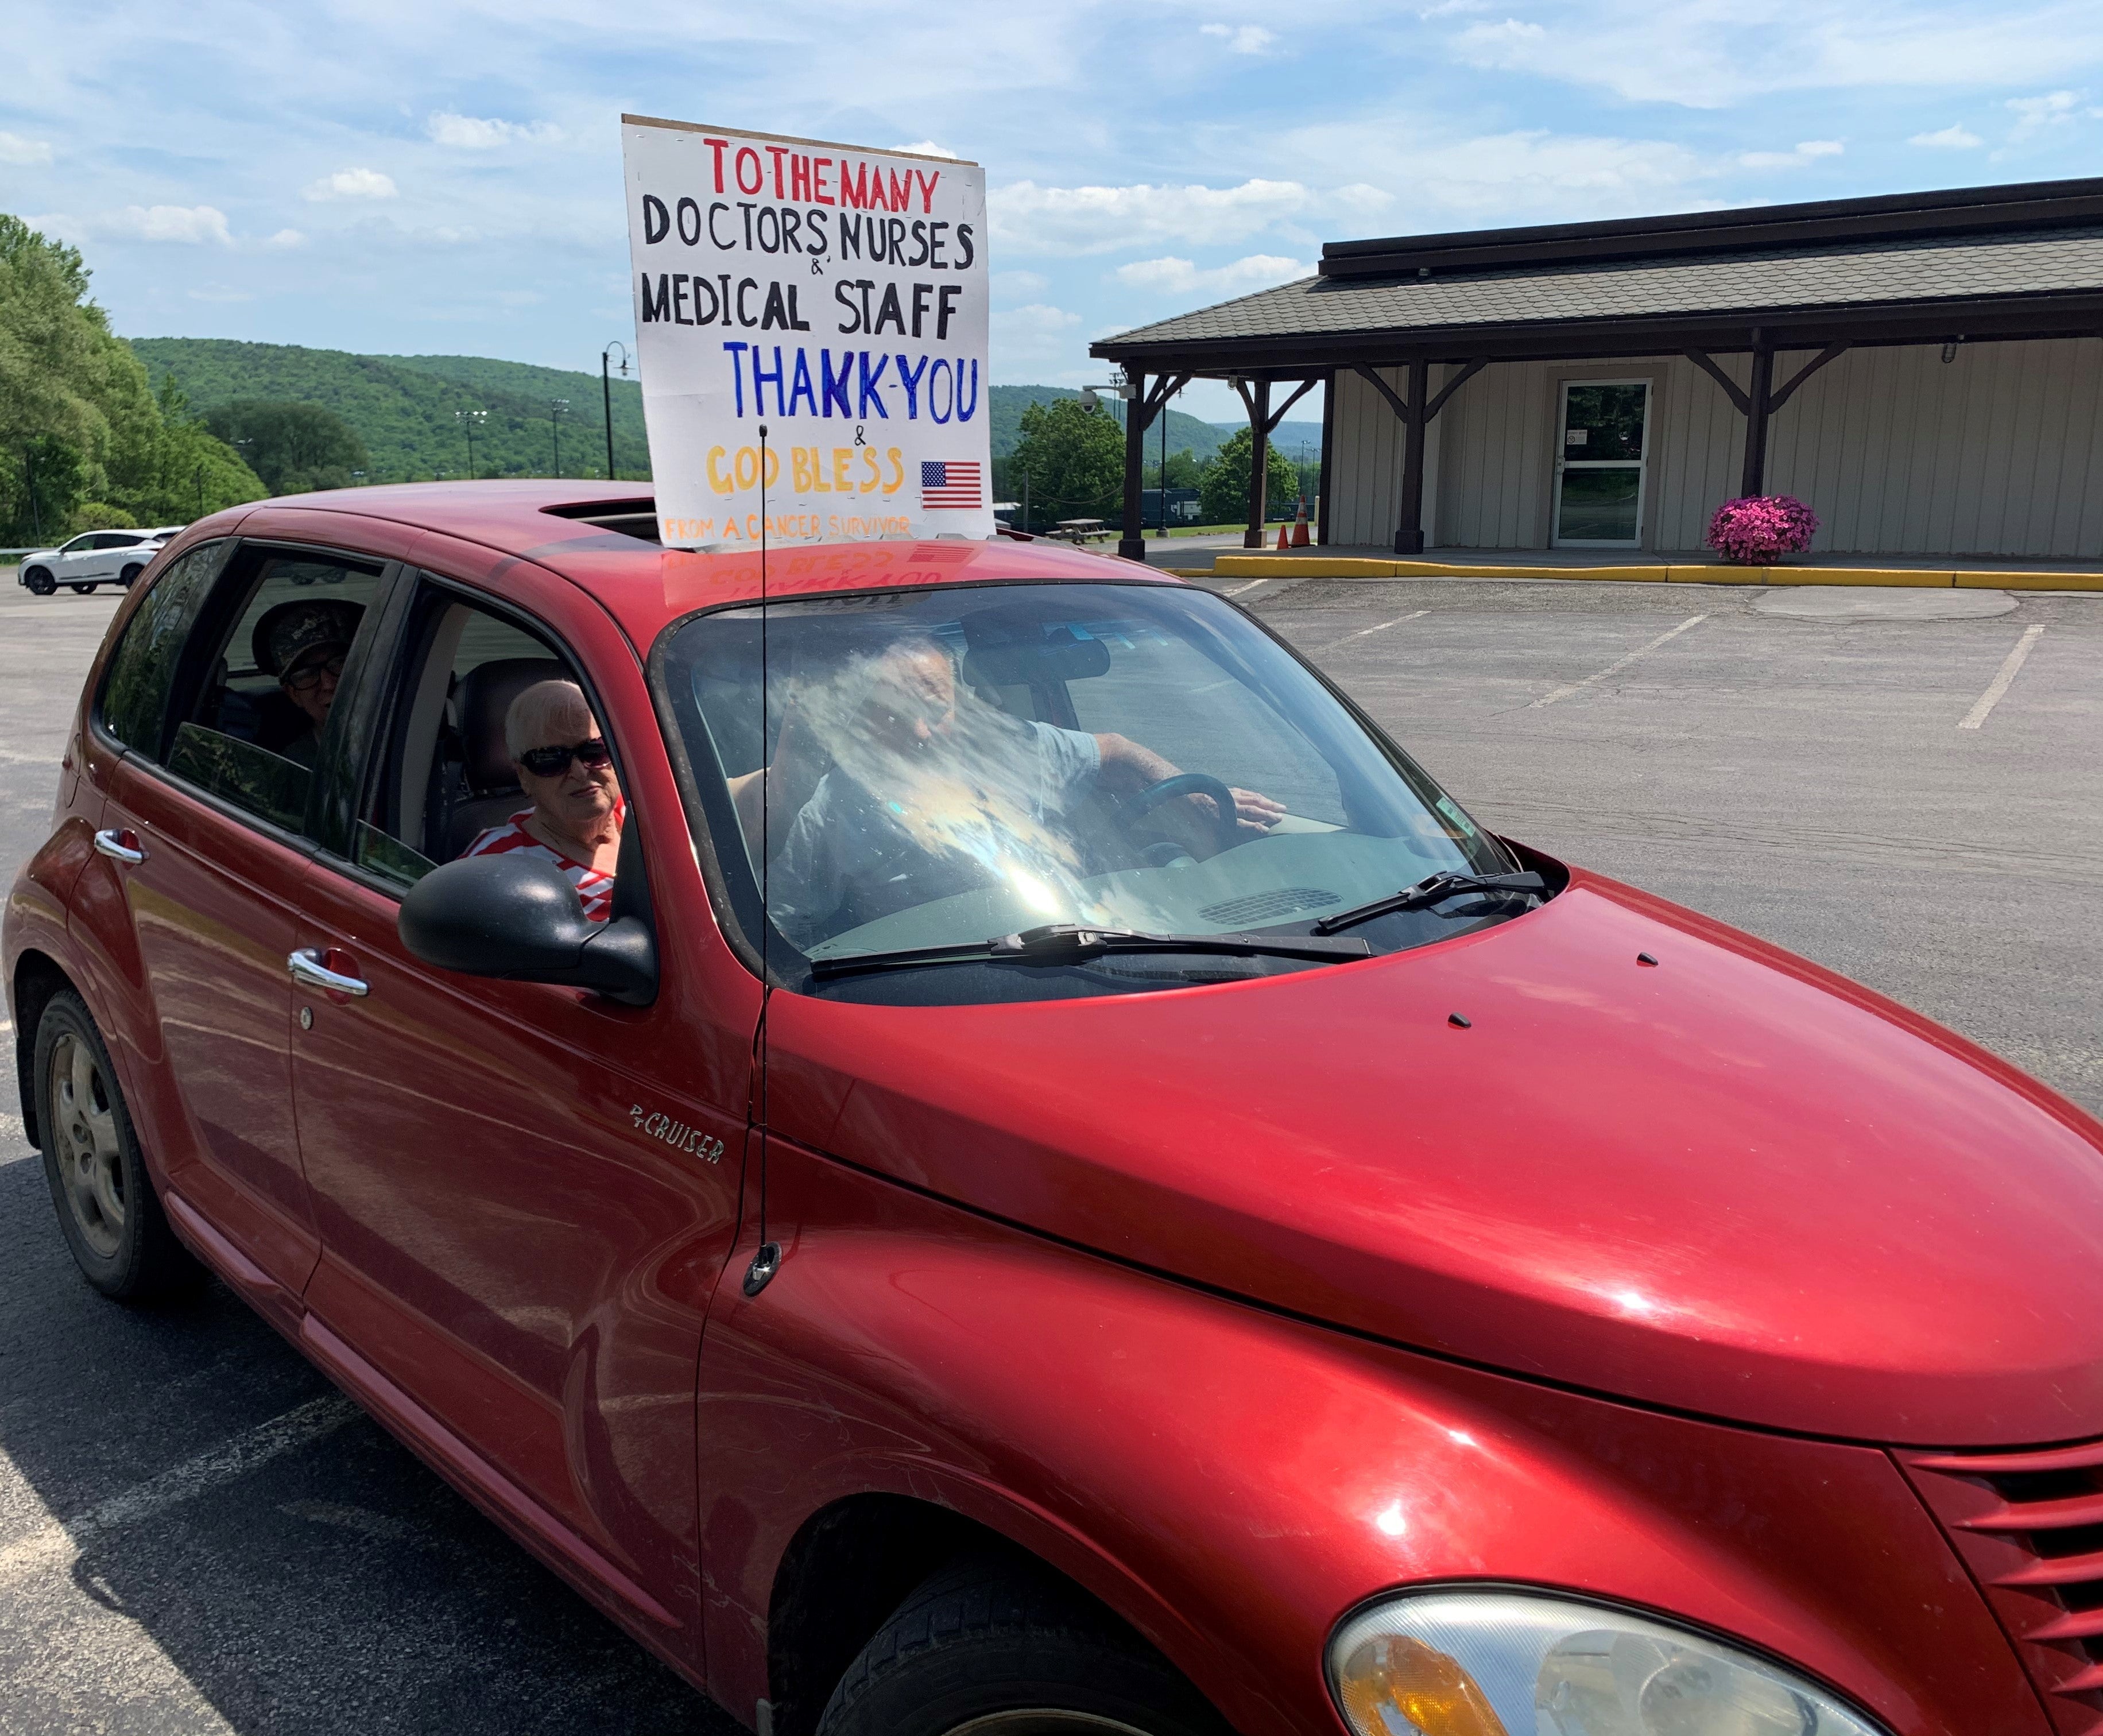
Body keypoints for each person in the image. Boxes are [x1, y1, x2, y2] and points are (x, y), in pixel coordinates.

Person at [766, 634, 1282, 947]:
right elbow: (785, 926)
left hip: (1090, 944)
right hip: (941, 982)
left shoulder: (1014, 748)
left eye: (933, 708)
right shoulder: (833, 807)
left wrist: (1190, 797)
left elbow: (1117, 753)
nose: (921, 733)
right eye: (894, 715)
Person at [460, 679, 625, 921]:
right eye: (551, 760)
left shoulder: (659, 816)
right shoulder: (495, 864)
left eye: (594, 751)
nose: (579, 772)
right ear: (523, 776)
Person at [254, 599, 364, 768]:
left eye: (338, 663)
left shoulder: (408, 729)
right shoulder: (291, 769)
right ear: (293, 694)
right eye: (307, 674)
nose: (328, 684)